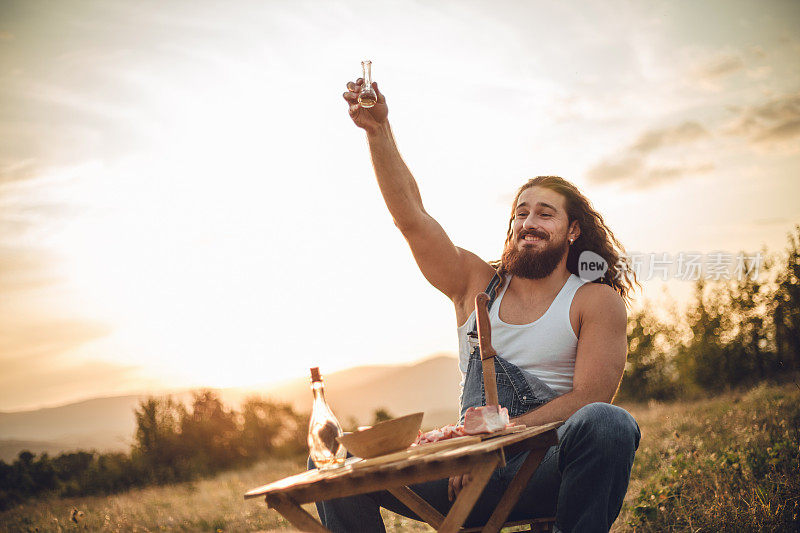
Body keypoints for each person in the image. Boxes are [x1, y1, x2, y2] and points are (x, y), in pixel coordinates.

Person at [308, 77, 642, 533]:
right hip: (462, 480)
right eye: (521, 212)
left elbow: (589, 398)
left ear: (573, 231)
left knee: (607, 423)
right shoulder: (474, 283)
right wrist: (378, 132)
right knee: (331, 459)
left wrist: (495, 436)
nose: (529, 222)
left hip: (539, 470)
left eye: (546, 213)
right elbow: (412, 218)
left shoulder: (593, 300)